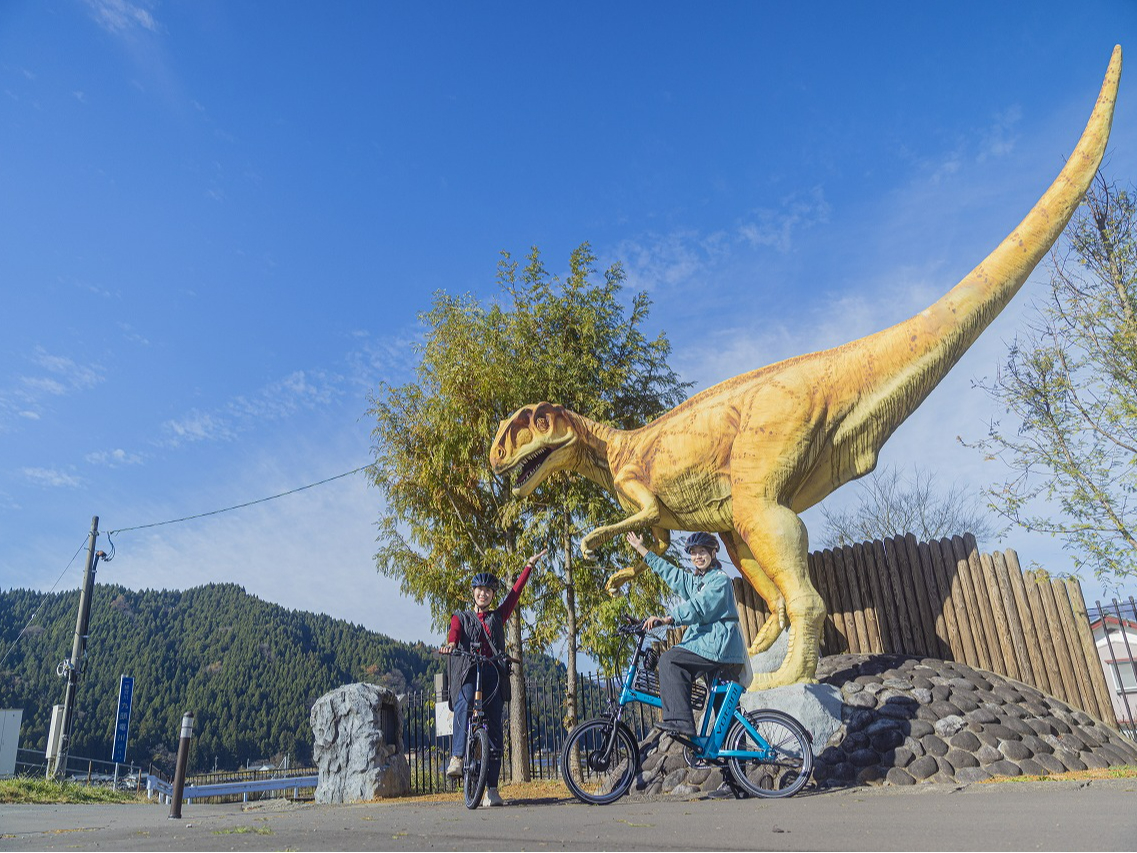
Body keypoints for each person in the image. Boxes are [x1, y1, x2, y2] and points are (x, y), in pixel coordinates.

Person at [440, 548, 547, 807]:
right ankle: (457, 758)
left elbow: (515, 594)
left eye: (488, 590)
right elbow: (454, 633)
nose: (483, 593)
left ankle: (492, 789)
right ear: (474, 593)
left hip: (493, 672)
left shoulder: (498, 616)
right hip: (468, 670)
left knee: (496, 730)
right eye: (480, 590)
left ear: (492, 595)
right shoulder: (461, 617)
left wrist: (529, 567)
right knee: (464, 705)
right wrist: (452, 645)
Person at [625, 530, 747, 740]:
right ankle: (734, 770)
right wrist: (642, 550)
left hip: (719, 644)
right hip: (712, 645)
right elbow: (672, 574)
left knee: (670, 661)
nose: (697, 556)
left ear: (713, 553)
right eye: (693, 553)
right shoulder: (698, 582)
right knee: (724, 713)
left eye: (702, 552)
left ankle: (680, 721)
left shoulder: (719, 581)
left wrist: (668, 619)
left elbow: (699, 607)